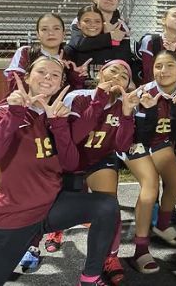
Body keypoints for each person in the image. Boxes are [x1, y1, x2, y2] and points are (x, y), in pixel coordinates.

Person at [0, 56, 118, 286]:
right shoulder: (3, 112)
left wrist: (59, 126)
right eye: (41, 72)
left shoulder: (57, 115)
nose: (48, 77)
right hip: (14, 217)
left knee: (106, 206)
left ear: (60, 84)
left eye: (55, 74)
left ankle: (90, 278)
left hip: (50, 208)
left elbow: (70, 164)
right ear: (27, 77)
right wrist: (14, 116)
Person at [0, 13, 87, 275]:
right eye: (44, 28)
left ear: (65, 33)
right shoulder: (26, 52)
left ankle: (31, 246)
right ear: (37, 33)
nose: (50, 32)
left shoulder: (69, 57)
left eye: (56, 28)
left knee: (38, 185)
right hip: (16, 118)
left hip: (44, 121)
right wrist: (16, 111)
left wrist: (75, 79)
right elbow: (16, 87)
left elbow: (67, 91)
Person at [43, 59, 138, 285]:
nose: (116, 77)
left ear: (128, 83)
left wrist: (126, 114)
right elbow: (74, 137)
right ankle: (54, 231)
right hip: (70, 159)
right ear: (100, 73)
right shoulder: (78, 96)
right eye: (112, 71)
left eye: (123, 76)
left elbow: (123, 146)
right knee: (61, 203)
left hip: (99, 158)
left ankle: (110, 257)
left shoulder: (126, 103)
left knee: (109, 205)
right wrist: (99, 100)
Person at [119, 50, 176, 274]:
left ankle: (162, 224)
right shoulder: (144, 92)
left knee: (175, 182)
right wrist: (150, 110)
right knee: (150, 188)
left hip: (159, 142)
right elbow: (140, 136)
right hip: (133, 143)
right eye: (159, 66)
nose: (164, 71)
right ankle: (140, 249)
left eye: (170, 65)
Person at [66, 0, 133, 84]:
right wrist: (109, 37)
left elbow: (124, 57)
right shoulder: (81, 19)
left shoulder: (121, 25)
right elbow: (79, 44)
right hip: (82, 73)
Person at [136, 7, 176, 84]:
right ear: (163, 21)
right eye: (175, 16)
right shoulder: (150, 40)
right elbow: (150, 76)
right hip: (152, 91)